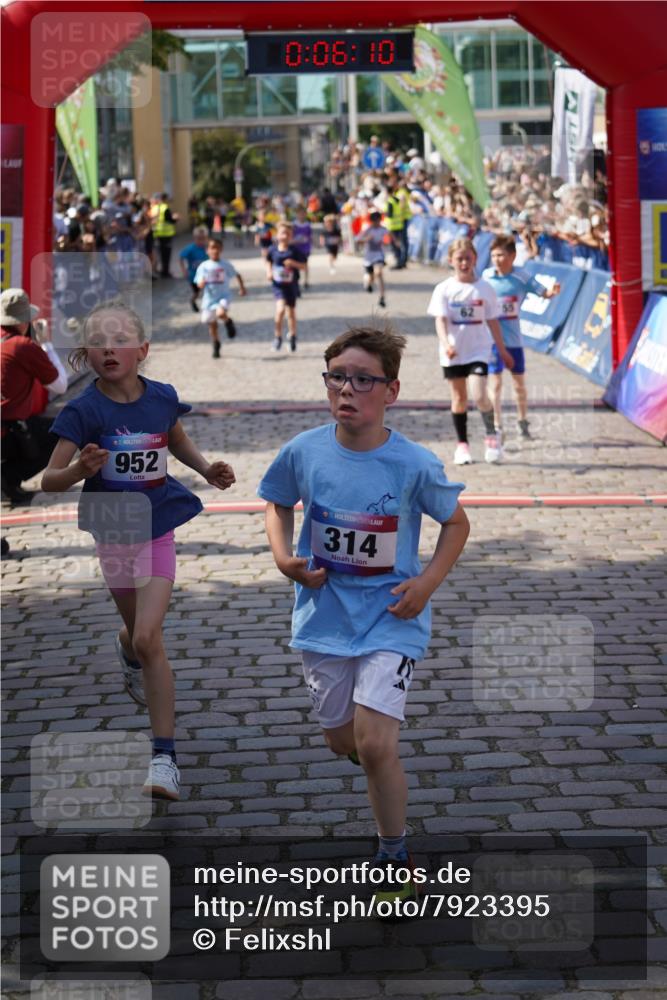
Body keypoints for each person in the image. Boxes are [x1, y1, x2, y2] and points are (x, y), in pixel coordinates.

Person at [258, 324, 469, 901]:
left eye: (362, 380)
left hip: (390, 620)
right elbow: (277, 501)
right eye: (336, 378)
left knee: (376, 745)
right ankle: (375, 765)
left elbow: (456, 523)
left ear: (391, 391)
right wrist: (284, 558)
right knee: (340, 740)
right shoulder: (304, 450)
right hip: (324, 618)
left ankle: (393, 854)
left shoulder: (413, 463)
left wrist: (425, 583)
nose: (346, 389)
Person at [41, 301, 236, 801]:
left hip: (156, 522)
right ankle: (126, 645)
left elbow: (176, 441)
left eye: (120, 338)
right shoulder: (84, 411)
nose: (110, 347)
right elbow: (50, 478)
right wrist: (81, 471)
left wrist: (204, 468)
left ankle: (164, 758)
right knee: (136, 634)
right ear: (86, 354)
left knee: (152, 637)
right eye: (98, 340)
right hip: (111, 527)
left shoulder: (162, 397)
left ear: (142, 350)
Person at [427, 238, 515, 466]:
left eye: (468, 258)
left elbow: (493, 320)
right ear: (451, 261)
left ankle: (491, 436)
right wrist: (446, 343)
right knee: (459, 398)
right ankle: (462, 445)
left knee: (479, 395)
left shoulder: (484, 288)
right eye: (459, 259)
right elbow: (441, 321)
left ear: (475, 258)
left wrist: (503, 350)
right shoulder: (444, 289)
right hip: (453, 351)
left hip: (478, 349)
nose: (464, 263)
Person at [482, 235, 560, 440]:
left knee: (518, 384)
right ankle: (497, 425)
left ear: (513, 256)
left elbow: (542, 292)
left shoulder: (521, 277)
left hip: (514, 340)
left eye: (501, 255)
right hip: (491, 340)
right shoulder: (486, 276)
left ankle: (522, 420)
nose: (497, 259)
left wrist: (551, 292)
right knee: (495, 383)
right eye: (494, 255)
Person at [1, 288, 68, 505]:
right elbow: (60, 386)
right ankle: (8, 478)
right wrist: (45, 342)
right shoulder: (22, 346)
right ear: (24, 321)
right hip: (8, 431)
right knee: (66, 431)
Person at [194, 237, 247, 359]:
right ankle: (216, 344)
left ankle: (228, 321)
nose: (215, 250)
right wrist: (200, 283)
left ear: (221, 249)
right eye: (212, 248)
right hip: (209, 300)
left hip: (223, 297)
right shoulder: (204, 266)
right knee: (211, 325)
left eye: (217, 248)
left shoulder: (225, 264)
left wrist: (242, 288)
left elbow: (237, 275)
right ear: (207, 250)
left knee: (220, 313)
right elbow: (198, 281)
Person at [266, 221, 306, 353]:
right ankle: (277, 337)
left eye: (288, 233)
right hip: (278, 286)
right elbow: (268, 261)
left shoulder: (294, 251)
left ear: (291, 236)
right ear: (277, 235)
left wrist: (293, 263)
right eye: (283, 233)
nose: (285, 235)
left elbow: (304, 266)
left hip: (291, 286)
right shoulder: (272, 249)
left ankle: (293, 336)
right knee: (280, 311)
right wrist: (269, 271)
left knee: (291, 313)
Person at [355, 210, 388, 309]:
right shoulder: (367, 230)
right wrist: (366, 239)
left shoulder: (383, 229)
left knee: (379, 273)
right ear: (371, 221)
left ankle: (382, 297)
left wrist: (395, 242)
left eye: (378, 221)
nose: (376, 223)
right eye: (375, 221)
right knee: (371, 276)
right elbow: (357, 240)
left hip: (379, 255)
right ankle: (368, 284)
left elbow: (390, 236)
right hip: (368, 257)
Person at [179, 225, 209, 312]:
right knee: (196, 292)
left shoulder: (206, 248)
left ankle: (207, 306)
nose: (201, 241)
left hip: (205, 275)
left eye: (203, 238)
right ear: (194, 238)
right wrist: (184, 270)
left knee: (207, 290)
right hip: (193, 275)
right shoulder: (190, 248)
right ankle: (192, 301)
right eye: (199, 238)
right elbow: (181, 257)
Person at [151, 193, 179, 278]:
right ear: (165, 199)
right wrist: (176, 218)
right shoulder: (165, 208)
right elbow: (170, 220)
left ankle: (157, 270)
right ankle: (165, 272)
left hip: (156, 234)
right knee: (166, 254)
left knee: (158, 253)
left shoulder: (154, 208)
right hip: (166, 234)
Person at [292, 205, 313, 289]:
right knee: (295, 264)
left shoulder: (307, 224)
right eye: (299, 214)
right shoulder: (294, 224)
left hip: (305, 247)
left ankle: (306, 280)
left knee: (305, 264)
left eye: (303, 213)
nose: (301, 215)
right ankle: (296, 279)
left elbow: (310, 235)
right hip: (296, 247)